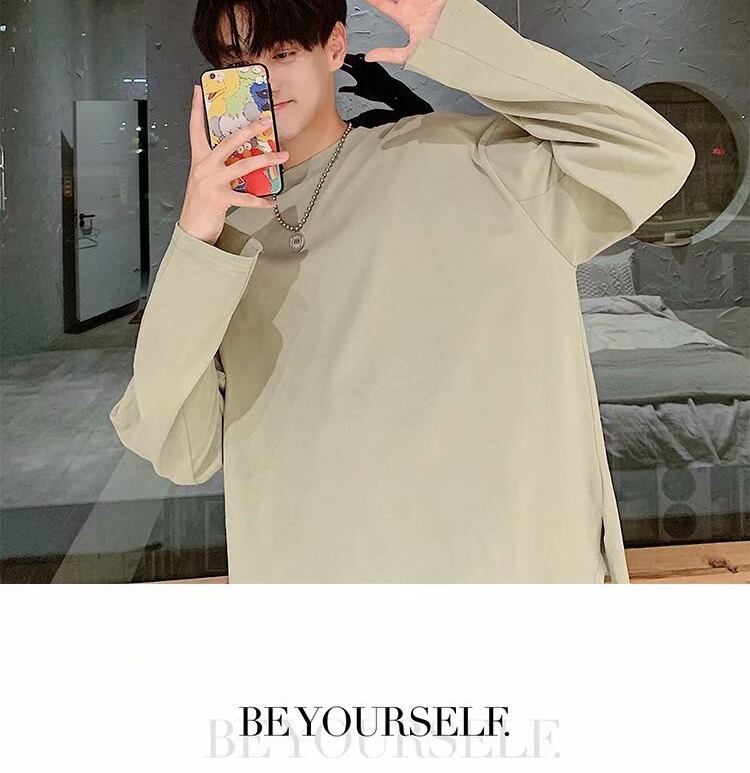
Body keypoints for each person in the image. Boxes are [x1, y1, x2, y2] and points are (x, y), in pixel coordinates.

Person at [109, 0, 696, 584]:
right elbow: (178, 447)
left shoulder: (467, 161)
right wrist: (195, 235)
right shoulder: (222, 246)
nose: (263, 80)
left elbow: (652, 156)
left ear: (334, 47)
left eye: (283, 53)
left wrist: (464, 40)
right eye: (237, 62)